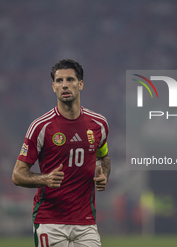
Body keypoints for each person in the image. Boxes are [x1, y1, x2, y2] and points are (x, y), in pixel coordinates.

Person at [12, 59, 111, 247]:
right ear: (53, 87)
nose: (64, 85)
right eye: (59, 81)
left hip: (86, 222)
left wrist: (104, 174)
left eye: (70, 79)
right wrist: (45, 178)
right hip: (50, 221)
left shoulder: (99, 124)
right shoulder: (41, 127)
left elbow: (103, 156)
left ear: (80, 84)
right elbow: (17, 175)